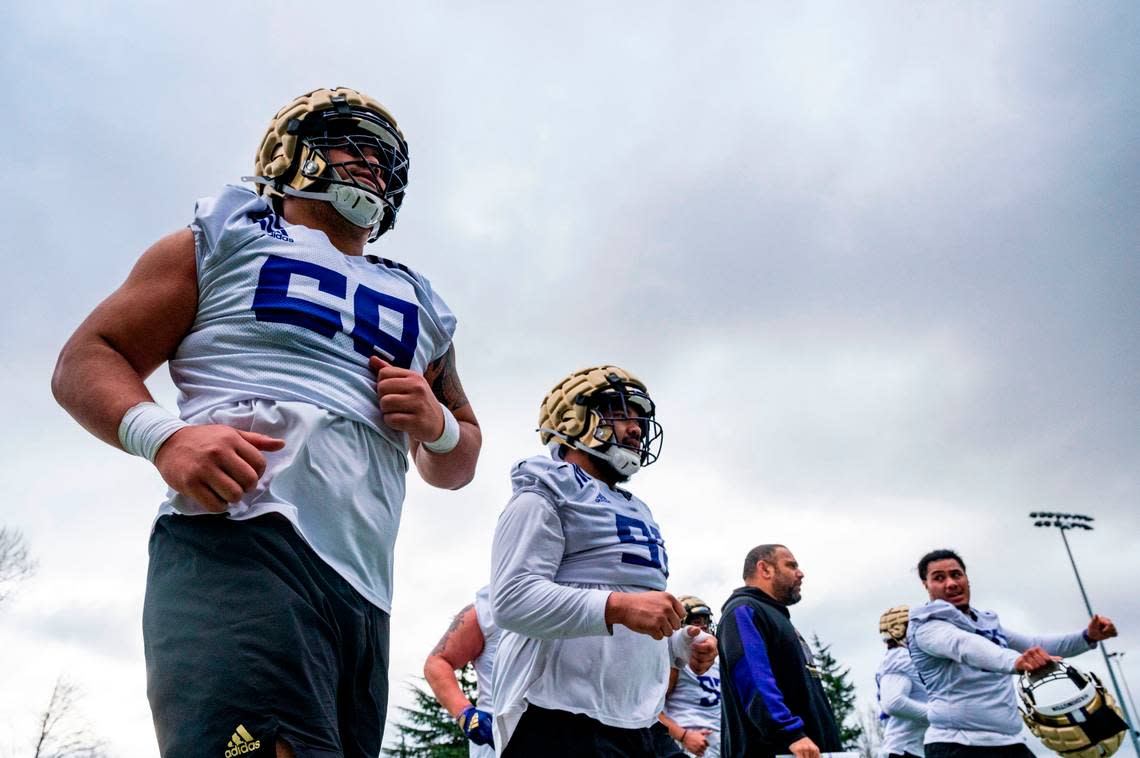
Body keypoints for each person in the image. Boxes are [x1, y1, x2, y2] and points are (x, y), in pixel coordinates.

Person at [52, 87, 481, 757]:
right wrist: (164, 437)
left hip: (362, 587)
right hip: (240, 542)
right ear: (290, 152)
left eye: (384, 157)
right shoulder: (227, 237)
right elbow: (87, 356)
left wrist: (436, 424)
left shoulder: (419, 301)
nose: (372, 163)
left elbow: (460, 461)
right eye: (353, 142)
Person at [489, 365, 718, 757]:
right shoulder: (543, 492)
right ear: (573, 418)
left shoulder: (637, 508)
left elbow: (627, 617)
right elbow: (512, 600)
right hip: (559, 715)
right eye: (620, 411)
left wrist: (679, 645)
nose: (636, 428)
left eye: (639, 417)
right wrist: (620, 606)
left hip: (640, 719)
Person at [907, 549, 1118, 758]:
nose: (951, 583)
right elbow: (964, 646)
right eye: (939, 578)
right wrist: (1016, 660)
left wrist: (1087, 637)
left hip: (1009, 742)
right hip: (956, 745)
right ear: (926, 585)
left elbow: (1035, 644)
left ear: (966, 579)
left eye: (956, 574)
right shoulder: (927, 626)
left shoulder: (985, 623)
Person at [718, 544, 842, 758]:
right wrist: (789, 733)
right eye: (791, 565)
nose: (800, 573)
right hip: (778, 750)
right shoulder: (743, 610)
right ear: (764, 569)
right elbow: (753, 678)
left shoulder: (776, 617)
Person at [424, 586, 501, 757]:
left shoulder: (572, 596)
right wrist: (467, 715)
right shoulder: (488, 607)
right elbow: (437, 662)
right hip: (497, 740)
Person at [659, 595, 723, 757]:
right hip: (686, 747)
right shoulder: (675, 660)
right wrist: (683, 735)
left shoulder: (718, 660)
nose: (702, 627)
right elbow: (651, 711)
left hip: (719, 746)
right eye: (696, 621)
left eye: (705, 621)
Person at [874, 605, 929, 758]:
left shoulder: (904, 656)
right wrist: (936, 713)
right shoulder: (901, 656)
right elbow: (893, 702)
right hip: (904, 749)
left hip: (911, 748)